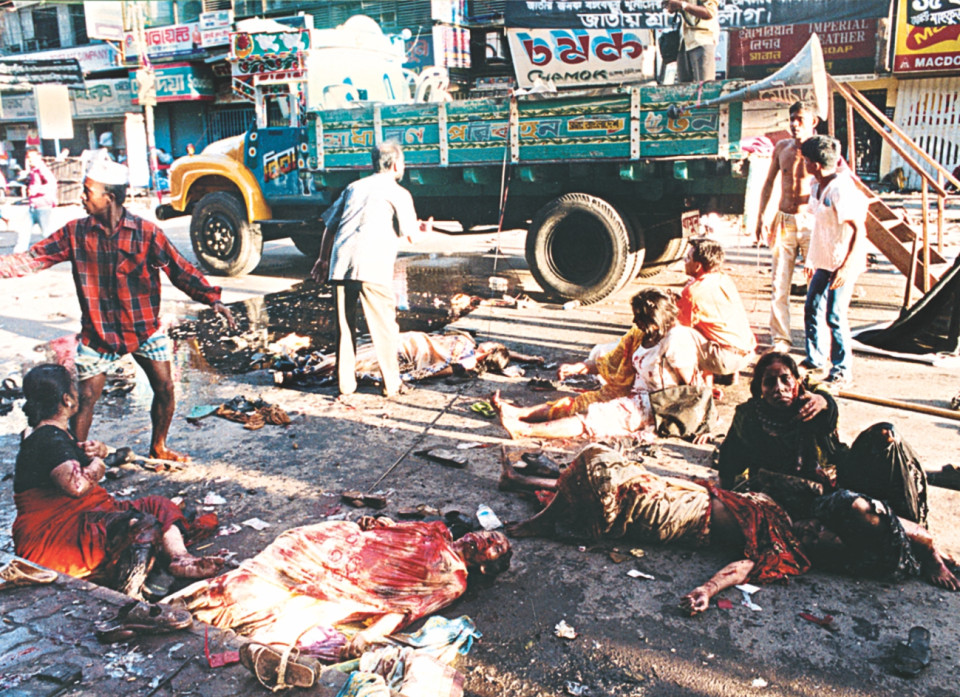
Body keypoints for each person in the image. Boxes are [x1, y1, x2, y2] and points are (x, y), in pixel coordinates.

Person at [0, 157, 236, 462]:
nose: (81, 197)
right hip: (98, 334)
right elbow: (34, 257)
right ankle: (74, 461)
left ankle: (158, 446)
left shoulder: (147, 233)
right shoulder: (75, 232)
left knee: (164, 388)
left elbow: (179, 269)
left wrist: (212, 298)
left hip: (145, 330)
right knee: (84, 400)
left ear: (109, 197)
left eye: (87, 192)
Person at [166, 518, 511, 673]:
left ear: (485, 567)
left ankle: (181, 613)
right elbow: (392, 529)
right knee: (269, 560)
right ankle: (170, 607)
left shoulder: (454, 580)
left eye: (495, 547)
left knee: (249, 598)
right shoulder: (437, 528)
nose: (488, 539)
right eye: (491, 534)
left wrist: (369, 635)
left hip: (350, 584)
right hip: (337, 547)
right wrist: (375, 521)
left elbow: (404, 606)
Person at [502, 444, 810, 614]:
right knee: (605, 474)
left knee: (598, 464)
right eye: (820, 525)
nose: (815, 529)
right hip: (683, 492)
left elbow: (744, 567)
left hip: (681, 517)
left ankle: (539, 519)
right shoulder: (772, 504)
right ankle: (521, 483)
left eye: (821, 534)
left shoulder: (785, 543)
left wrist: (707, 589)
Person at [11, 364, 224, 598]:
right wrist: (97, 465)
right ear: (67, 399)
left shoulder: (50, 435)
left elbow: (67, 466)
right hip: (53, 541)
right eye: (74, 389)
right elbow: (77, 486)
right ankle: (129, 596)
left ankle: (179, 558)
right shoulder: (49, 438)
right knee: (140, 527)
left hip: (76, 521)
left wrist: (96, 452)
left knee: (157, 505)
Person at [717, 351, 929, 529]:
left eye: (785, 379)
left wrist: (824, 402)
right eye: (769, 382)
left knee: (886, 435)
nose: (779, 388)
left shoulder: (811, 404)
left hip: (832, 484)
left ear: (797, 383)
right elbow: (730, 458)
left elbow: (828, 415)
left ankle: (911, 525)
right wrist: (725, 497)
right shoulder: (750, 416)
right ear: (759, 389)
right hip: (784, 496)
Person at [493, 288, 708, 440]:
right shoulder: (640, 333)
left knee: (593, 418)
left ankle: (525, 429)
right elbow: (612, 361)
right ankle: (519, 413)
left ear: (654, 320)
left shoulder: (676, 339)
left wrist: (700, 426)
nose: (634, 323)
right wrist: (580, 367)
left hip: (656, 406)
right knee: (578, 403)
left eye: (638, 318)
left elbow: (693, 389)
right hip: (633, 394)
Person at [311, 141, 429, 398]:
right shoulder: (399, 192)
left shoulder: (354, 187)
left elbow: (330, 226)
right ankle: (392, 385)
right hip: (372, 266)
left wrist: (322, 260)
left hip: (340, 263)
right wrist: (424, 231)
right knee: (385, 327)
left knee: (344, 326)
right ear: (396, 164)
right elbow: (411, 237)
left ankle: (345, 386)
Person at [801, 135, 869, 387]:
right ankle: (816, 359)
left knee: (834, 316)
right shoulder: (816, 185)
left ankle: (841, 371)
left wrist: (847, 266)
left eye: (806, 160)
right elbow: (819, 227)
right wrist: (811, 259)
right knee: (812, 308)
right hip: (824, 261)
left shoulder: (841, 189)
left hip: (842, 263)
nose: (804, 164)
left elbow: (859, 230)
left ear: (815, 164)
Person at [754, 102, 819, 353]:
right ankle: (780, 340)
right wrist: (761, 217)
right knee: (779, 283)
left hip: (811, 221)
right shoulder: (782, 147)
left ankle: (817, 345)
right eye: (792, 118)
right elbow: (769, 183)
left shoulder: (820, 149)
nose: (794, 124)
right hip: (784, 220)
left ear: (813, 122)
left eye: (800, 119)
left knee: (816, 285)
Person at [273, 330, 543, 387]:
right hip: (405, 348)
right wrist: (528, 358)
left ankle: (297, 373)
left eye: (494, 344)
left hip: (406, 352)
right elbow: (503, 352)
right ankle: (300, 370)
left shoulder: (468, 358)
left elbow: (435, 372)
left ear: (489, 352)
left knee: (354, 361)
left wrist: (402, 379)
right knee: (354, 359)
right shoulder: (474, 351)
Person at [677, 237, 756, 393]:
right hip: (746, 354)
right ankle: (729, 376)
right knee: (708, 326)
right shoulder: (723, 278)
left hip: (725, 359)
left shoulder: (692, 292)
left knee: (677, 335)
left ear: (698, 266)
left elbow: (682, 325)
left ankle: (700, 387)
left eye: (687, 258)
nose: (684, 261)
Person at [663, 0, 719, 83]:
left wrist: (683, 5)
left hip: (701, 40)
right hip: (683, 42)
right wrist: (670, 5)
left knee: (704, 87)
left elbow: (709, 12)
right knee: (684, 89)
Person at [16, 149, 58, 253]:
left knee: (46, 232)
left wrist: (35, 191)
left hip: (43, 205)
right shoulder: (33, 170)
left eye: (32, 158)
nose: (30, 161)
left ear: (38, 157)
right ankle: (20, 251)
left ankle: (55, 250)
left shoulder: (42, 169)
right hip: (33, 205)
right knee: (24, 229)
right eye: (28, 158)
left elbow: (52, 184)